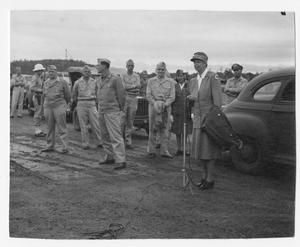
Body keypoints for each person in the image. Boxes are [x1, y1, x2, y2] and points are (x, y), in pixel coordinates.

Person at [188, 52, 222, 190]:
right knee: (200, 151)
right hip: (197, 119)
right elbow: (194, 99)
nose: (197, 64)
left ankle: (210, 178)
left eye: (199, 62)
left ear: (205, 63)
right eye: (195, 62)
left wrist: (211, 119)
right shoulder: (193, 80)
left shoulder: (212, 77)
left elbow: (218, 103)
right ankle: (203, 176)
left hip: (208, 121)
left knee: (209, 151)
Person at [96, 58, 127, 170]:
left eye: (98, 64)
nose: (96, 66)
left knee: (115, 136)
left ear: (105, 66)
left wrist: (121, 109)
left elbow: (121, 96)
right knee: (104, 135)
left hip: (112, 111)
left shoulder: (115, 79)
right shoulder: (99, 80)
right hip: (102, 111)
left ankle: (121, 160)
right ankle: (109, 156)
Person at [146, 62, 175, 159]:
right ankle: (151, 151)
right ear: (156, 70)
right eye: (159, 69)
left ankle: (164, 151)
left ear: (165, 70)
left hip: (166, 107)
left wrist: (164, 105)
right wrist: (155, 104)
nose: (160, 71)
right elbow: (148, 95)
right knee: (152, 128)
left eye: (162, 69)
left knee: (165, 129)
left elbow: (172, 96)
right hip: (153, 106)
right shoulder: (150, 81)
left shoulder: (171, 82)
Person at [72, 65, 103, 149]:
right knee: (83, 125)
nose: (87, 73)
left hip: (92, 104)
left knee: (95, 124)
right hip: (81, 103)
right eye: (85, 71)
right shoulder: (77, 82)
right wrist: (78, 102)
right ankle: (85, 143)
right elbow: (74, 94)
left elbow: (98, 93)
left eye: (89, 71)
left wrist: (96, 102)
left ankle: (99, 142)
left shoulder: (94, 82)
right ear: (82, 73)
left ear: (90, 73)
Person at [41, 65, 71, 153]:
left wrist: (66, 106)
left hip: (59, 106)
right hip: (48, 106)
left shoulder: (62, 82)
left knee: (62, 127)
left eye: (53, 71)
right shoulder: (46, 82)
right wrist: (43, 107)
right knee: (49, 127)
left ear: (56, 72)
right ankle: (50, 145)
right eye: (49, 71)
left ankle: (65, 147)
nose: (51, 73)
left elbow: (68, 95)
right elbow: (44, 95)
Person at [171, 69, 192, 156]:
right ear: (176, 77)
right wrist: (171, 113)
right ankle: (179, 149)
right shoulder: (174, 86)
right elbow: (172, 99)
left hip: (186, 112)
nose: (180, 77)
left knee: (186, 132)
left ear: (185, 76)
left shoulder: (189, 86)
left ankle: (186, 149)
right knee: (178, 131)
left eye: (182, 75)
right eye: (178, 76)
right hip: (177, 112)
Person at [121, 59, 141, 149]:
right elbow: (123, 87)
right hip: (125, 98)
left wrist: (130, 88)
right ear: (126, 66)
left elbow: (138, 87)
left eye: (132, 66)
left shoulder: (137, 76)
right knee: (122, 120)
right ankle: (120, 140)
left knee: (130, 121)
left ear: (134, 66)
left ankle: (128, 142)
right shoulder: (123, 75)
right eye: (129, 65)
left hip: (133, 98)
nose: (130, 67)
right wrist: (133, 86)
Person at [30, 64, 47, 137]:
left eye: (41, 70)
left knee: (39, 113)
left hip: (40, 96)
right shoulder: (35, 77)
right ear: (37, 71)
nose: (41, 71)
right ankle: (37, 130)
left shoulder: (40, 77)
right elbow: (32, 88)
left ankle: (38, 129)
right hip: (37, 96)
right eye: (40, 70)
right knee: (38, 113)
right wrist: (41, 90)